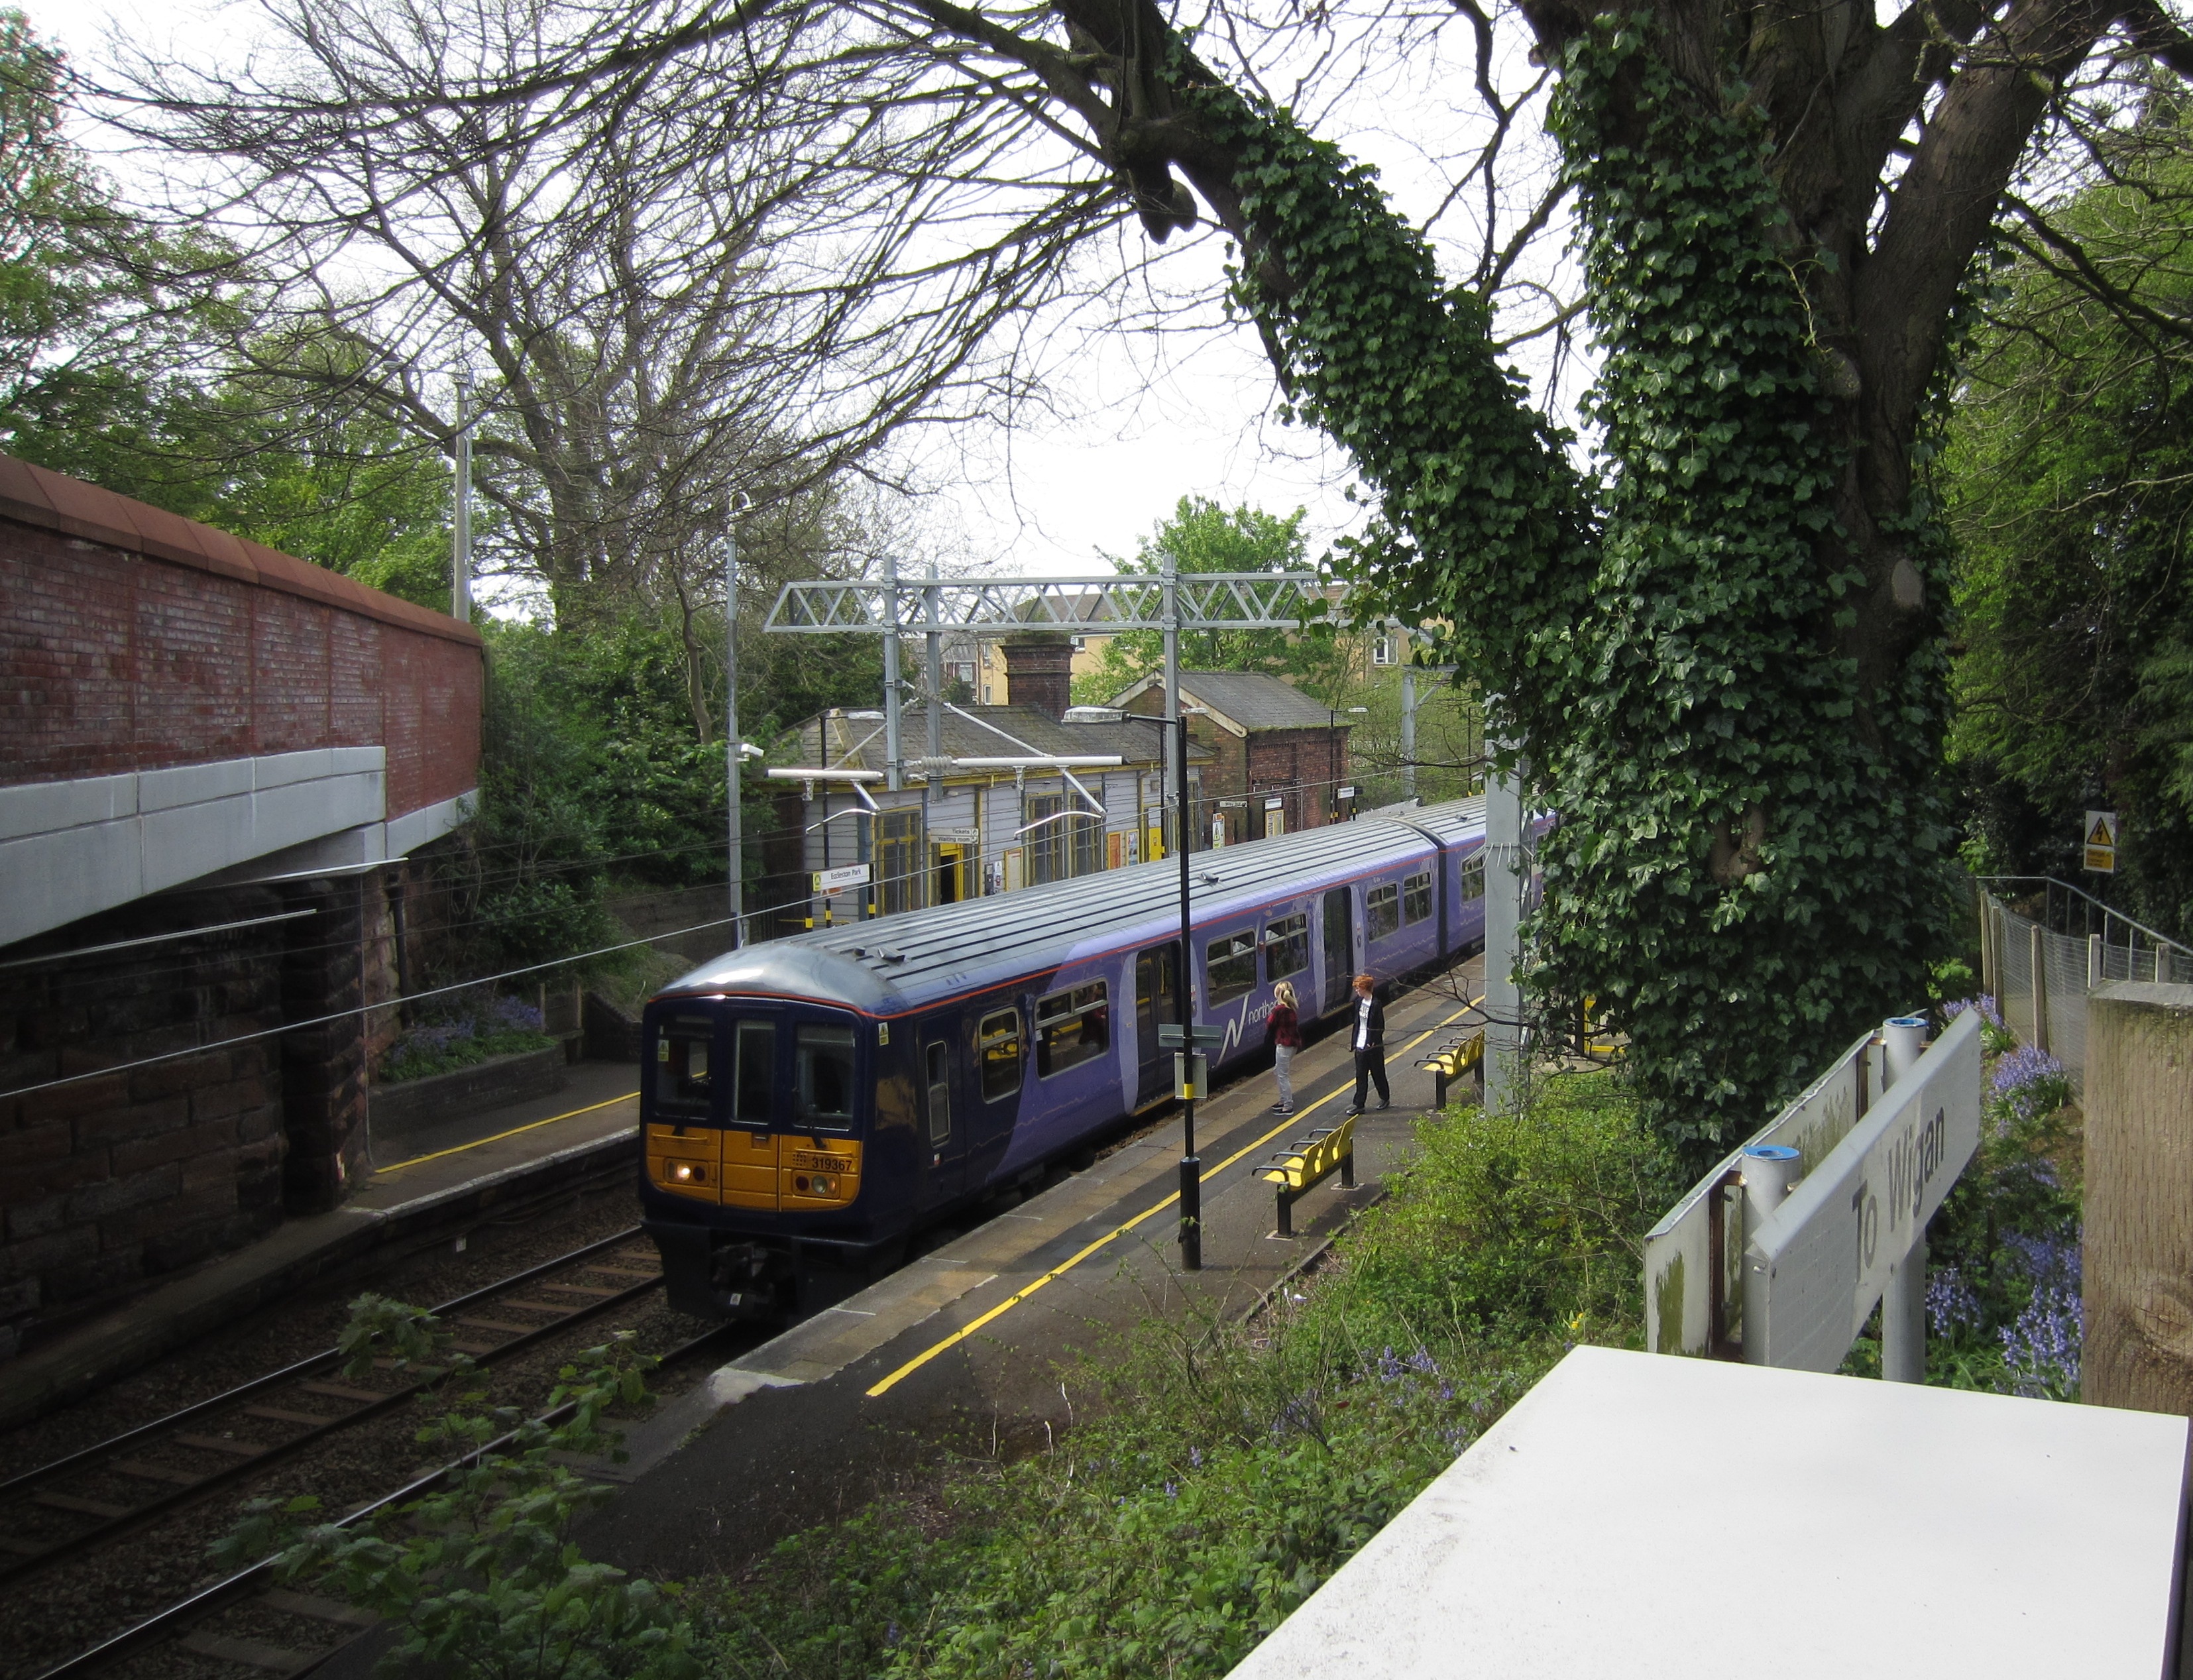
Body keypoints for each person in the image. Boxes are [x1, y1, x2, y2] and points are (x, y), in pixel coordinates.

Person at [1347, 972, 1389, 1115]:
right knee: (1360, 1075)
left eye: (1358, 988)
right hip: (1360, 1044)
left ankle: (1385, 1097)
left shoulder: (1376, 1004)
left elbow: (1380, 1026)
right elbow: (1357, 1024)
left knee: (1378, 1073)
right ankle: (1359, 1104)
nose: (1356, 990)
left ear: (1365, 988)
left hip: (1373, 1047)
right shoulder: (1358, 1003)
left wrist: (1373, 1042)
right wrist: (1354, 1042)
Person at [1264, 980, 1302, 1113]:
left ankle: (1287, 1105)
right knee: (1279, 1071)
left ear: (1278, 993)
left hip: (1283, 1045)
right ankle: (1283, 1100)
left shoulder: (1279, 1010)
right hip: (1292, 1045)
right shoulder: (1291, 1007)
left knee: (1282, 1075)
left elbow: (1269, 1024)